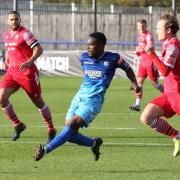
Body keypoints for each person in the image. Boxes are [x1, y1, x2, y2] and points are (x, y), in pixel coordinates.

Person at [34, 32, 141, 161]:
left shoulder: (114, 58)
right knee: (71, 135)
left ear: (101, 45)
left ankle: (46, 150)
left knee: (72, 125)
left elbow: (128, 69)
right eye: (87, 45)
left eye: (91, 45)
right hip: (79, 96)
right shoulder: (84, 57)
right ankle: (94, 143)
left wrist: (134, 82)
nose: (88, 47)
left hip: (94, 100)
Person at [0, 10, 57, 142]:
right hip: (12, 73)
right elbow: (10, 50)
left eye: (16, 19)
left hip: (27, 73)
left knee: (38, 102)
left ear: (20, 20)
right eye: (11, 20)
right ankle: (18, 125)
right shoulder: (6, 35)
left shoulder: (25, 34)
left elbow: (39, 49)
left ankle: (51, 129)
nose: (14, 21)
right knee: (2, 98)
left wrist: (29, 62)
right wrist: (7, 61)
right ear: (7, 21)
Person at [140, 14, 180, 157]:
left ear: (168, 30)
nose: (156, 31)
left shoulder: (173, 46)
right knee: (146, 117)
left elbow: (164, 70)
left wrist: (151, 54)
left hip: (178, 94)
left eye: (158, 28)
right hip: (170, 94)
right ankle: (177, 136)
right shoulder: (168, 44)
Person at [129, 19, 164, 111]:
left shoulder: (148, 35)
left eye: (143, 26)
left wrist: (141, 49)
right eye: (140, 26)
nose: (141, 28)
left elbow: (150, 47)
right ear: (137, 27)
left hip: (150, 62)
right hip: (143, 62)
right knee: (139, 82)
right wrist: (139, 52)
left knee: (155, 84)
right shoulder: (140, 36)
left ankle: (170, 96)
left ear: (146, 26)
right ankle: (137, 105)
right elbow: (142, 49)